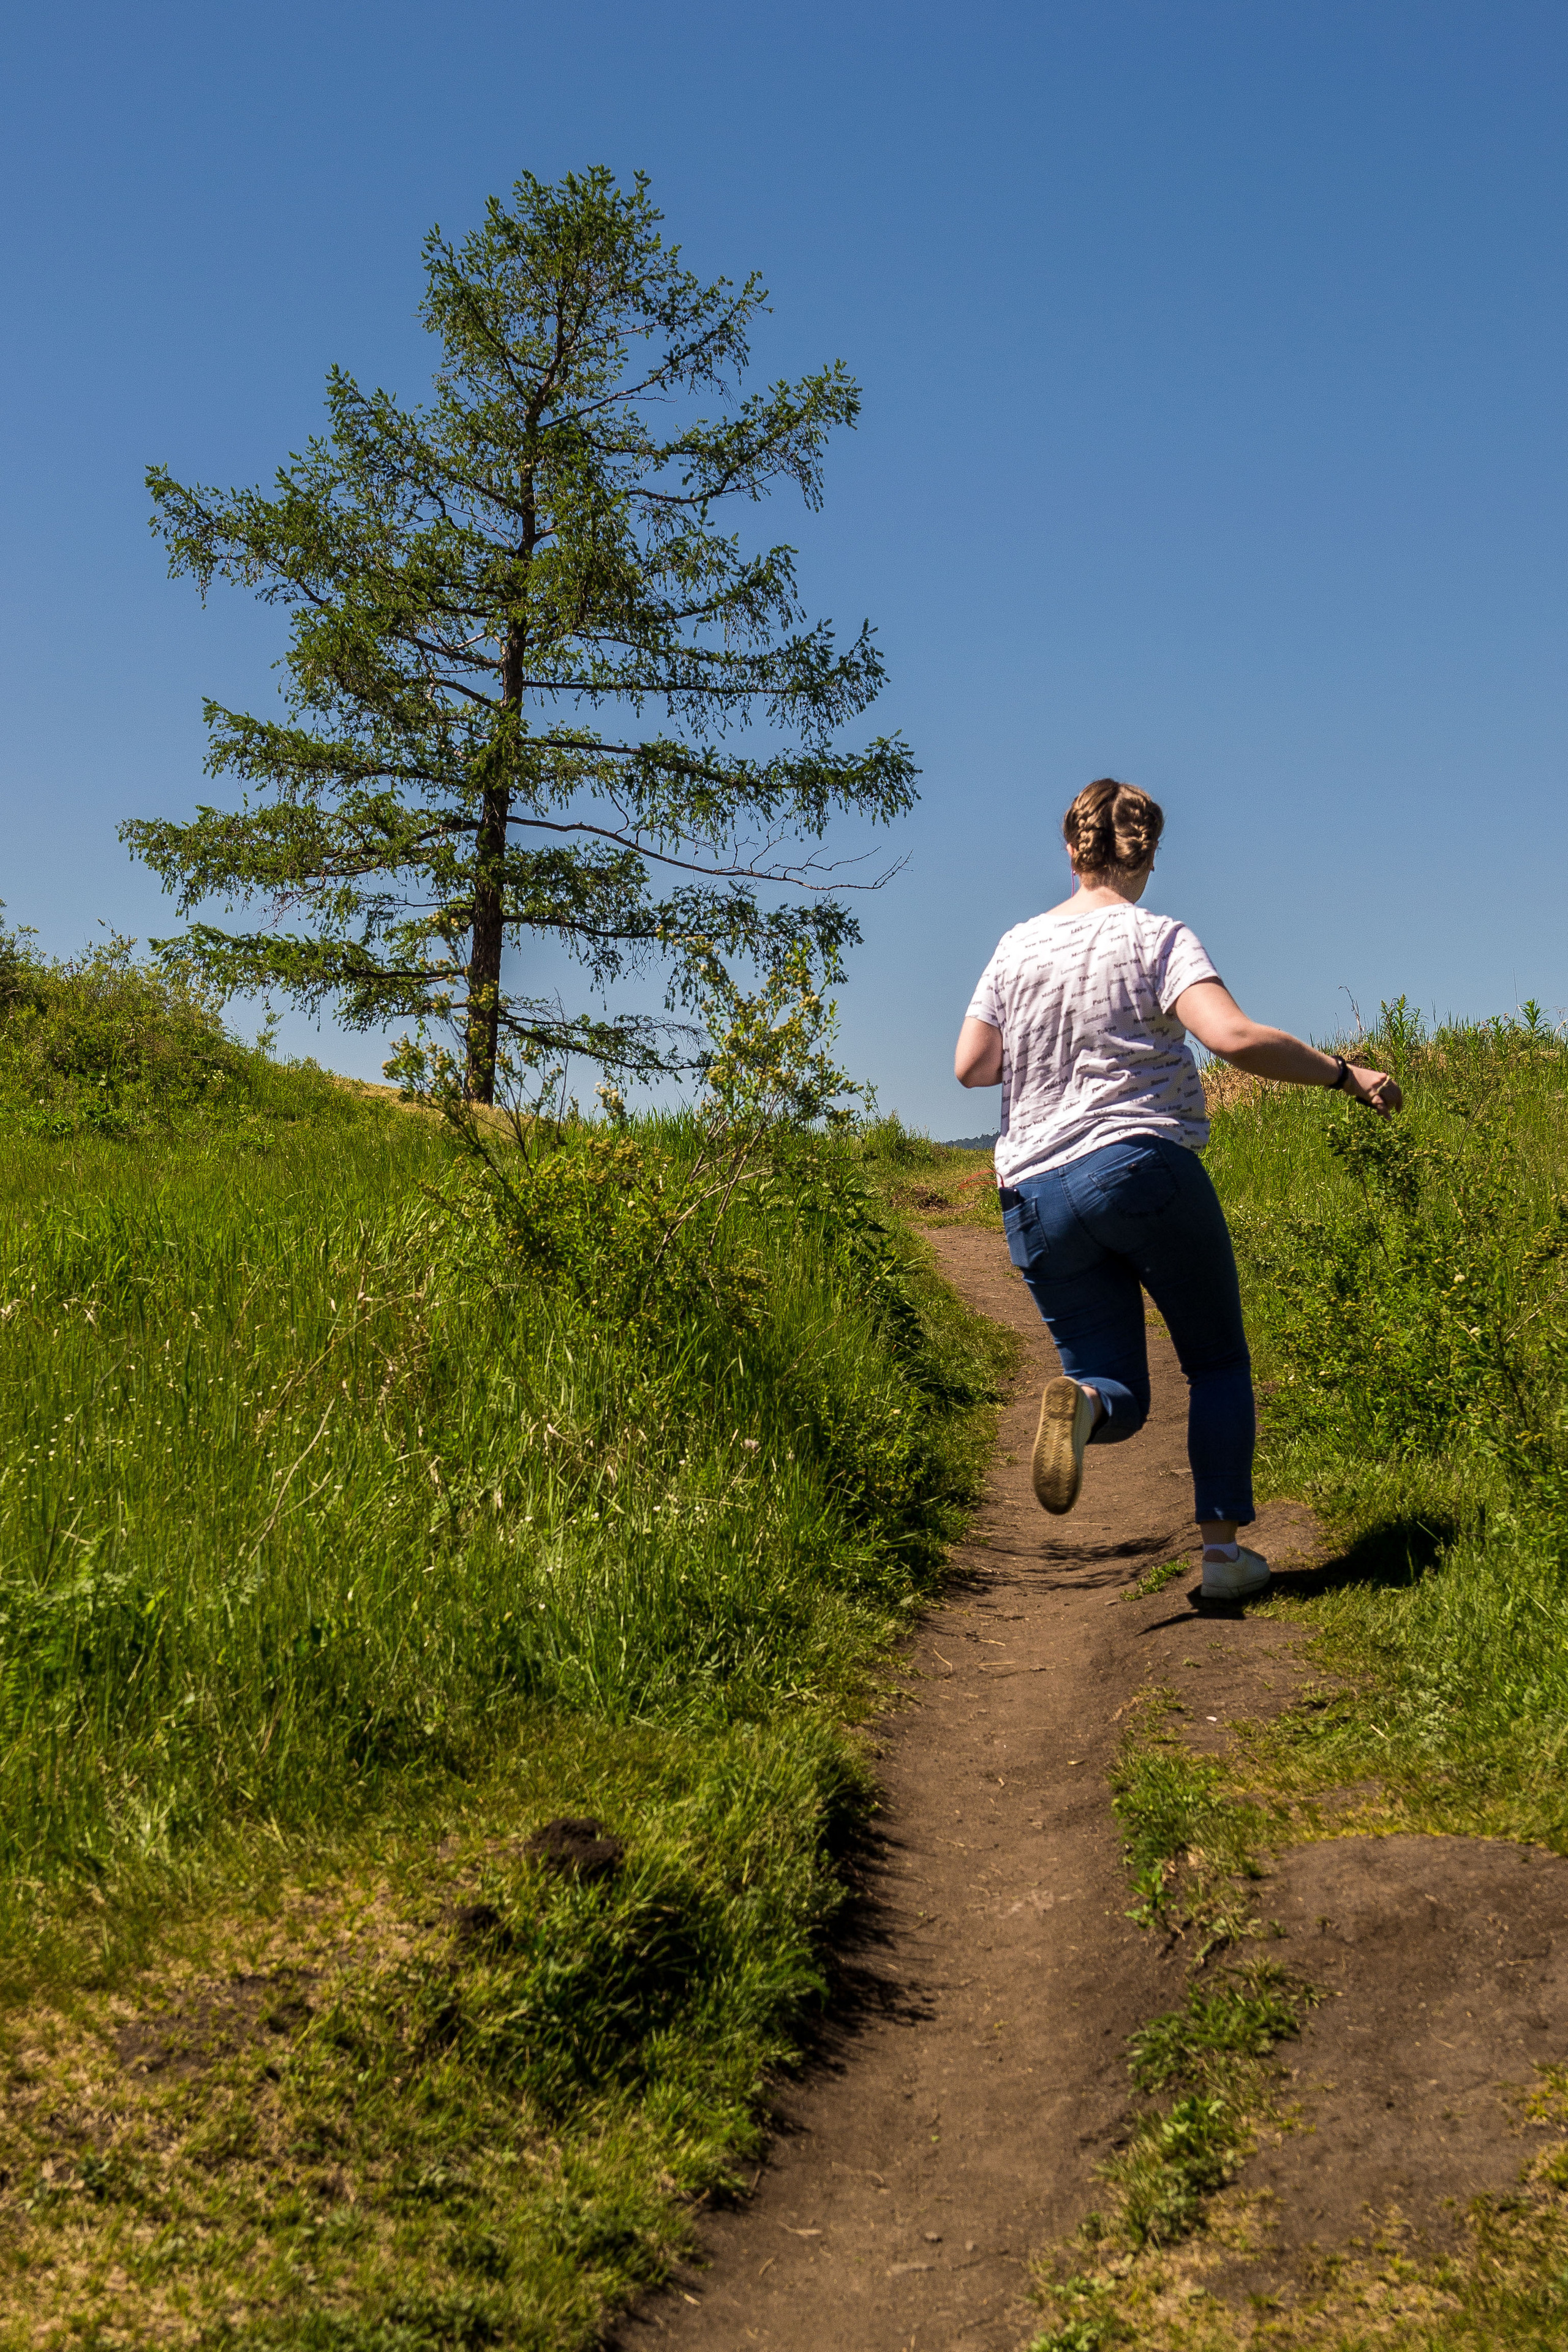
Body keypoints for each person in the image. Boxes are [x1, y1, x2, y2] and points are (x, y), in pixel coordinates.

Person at [954, 777, 1400, 1601]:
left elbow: (973, 1065)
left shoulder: (1015, 948)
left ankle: (1083, 1403)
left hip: (1033, 1194)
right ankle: (1223, 1560)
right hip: (1139, 1165)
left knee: (1117, 1388)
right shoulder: (1156, 936)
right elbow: (1230, 1037)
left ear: (1071, 850)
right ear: (1148, 853)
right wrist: (1345, 1075)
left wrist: (1054, 1038)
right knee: (1217, 1362)